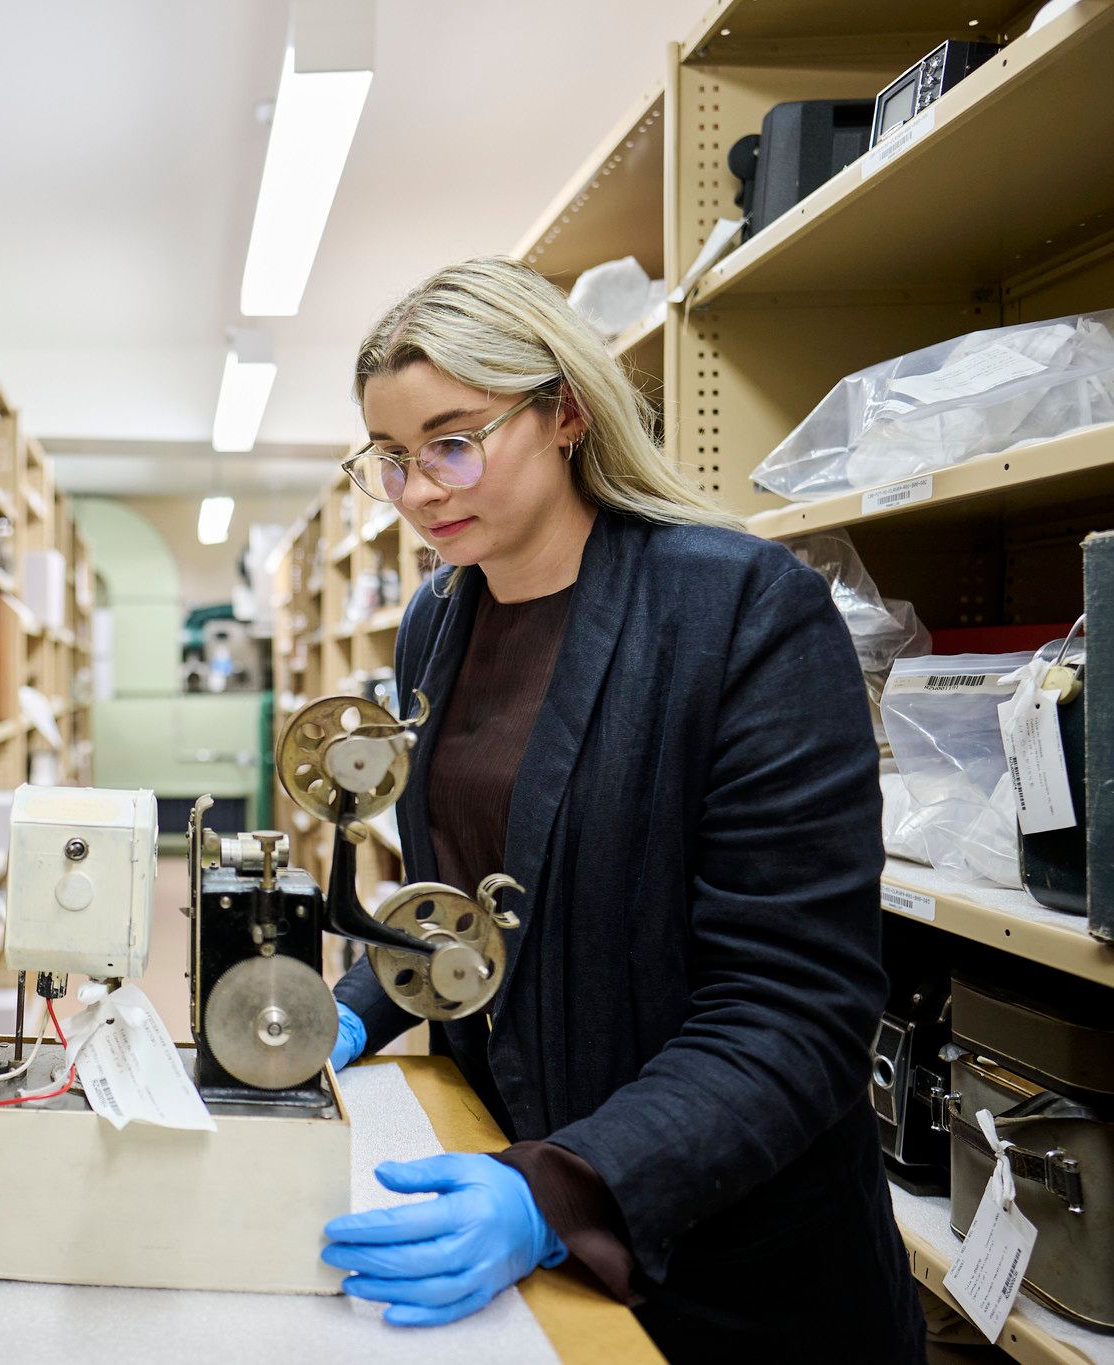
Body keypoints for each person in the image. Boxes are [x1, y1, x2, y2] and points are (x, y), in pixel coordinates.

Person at [317, 257, 925, 1362]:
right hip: (521, 1175)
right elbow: (472, 891)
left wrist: (558, 1193)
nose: (417, 492)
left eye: (451, 442)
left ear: (562, 410)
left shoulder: (740, 611)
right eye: (391, 459)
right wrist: (358, 999)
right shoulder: (436, 622)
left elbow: (795, 1006)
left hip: (728, 1261)